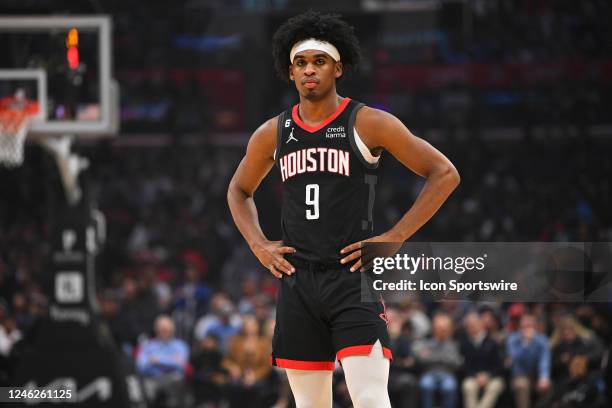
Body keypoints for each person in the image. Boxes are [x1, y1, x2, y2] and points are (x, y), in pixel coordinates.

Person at [227, 11, 460, 408]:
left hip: (352, 280)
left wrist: (395, 236)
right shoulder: (273, 132)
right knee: (310, 405)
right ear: (289, 72)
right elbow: (239, 190)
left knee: (370, 399)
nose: (309, 70)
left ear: (339, 67)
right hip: (298, 282)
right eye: (300, 63)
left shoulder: (368, 122)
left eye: (319, 61)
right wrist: (258, 244)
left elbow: (444, 173)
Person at [136, 315, 189, 408]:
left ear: (173, 330)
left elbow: (180, 365)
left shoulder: (180, 346)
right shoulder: (148, 346)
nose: (164, 333)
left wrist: (157, 361)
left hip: (172, 379)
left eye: (166, 330)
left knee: (177, 379)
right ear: (156, 330)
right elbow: (141, 366)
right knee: (141, 385)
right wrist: (169, 361)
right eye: (161, 330)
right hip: (152, 378)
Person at [414, 313, 462, 408]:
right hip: (429, 373)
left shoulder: (453, 344)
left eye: (444, 328)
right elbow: (421, 359)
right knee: (426, 385)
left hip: (447, 374)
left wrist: (432, 356)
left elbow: (457, 362)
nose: (442, 331)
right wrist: (444, 358)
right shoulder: (427, 343)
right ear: (434, 329)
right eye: (439, 328)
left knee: (449, 387)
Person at [460, 312, 505, 408]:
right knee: (468, 386)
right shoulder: (465, 343)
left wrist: (488, 375)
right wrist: (475, 376)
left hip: (493, 377)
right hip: (473, 377)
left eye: (473, 324)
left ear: (480, 324)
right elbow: (465, 365)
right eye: (468, 326)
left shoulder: (493, 342)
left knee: (494, 387)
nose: (471, 327)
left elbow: (499, 365)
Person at [506, 314, 551, 408]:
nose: (527, 329)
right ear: (520, 326)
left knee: (548, 385)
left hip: (536, 376)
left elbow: (544, 360)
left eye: (529, 326)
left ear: (535, 326)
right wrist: (525, 344)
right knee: (521, 385)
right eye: (524, 326)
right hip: (520, 375)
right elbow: (515, 360)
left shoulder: (542, 340)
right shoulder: (512, 339)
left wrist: (544, 377)